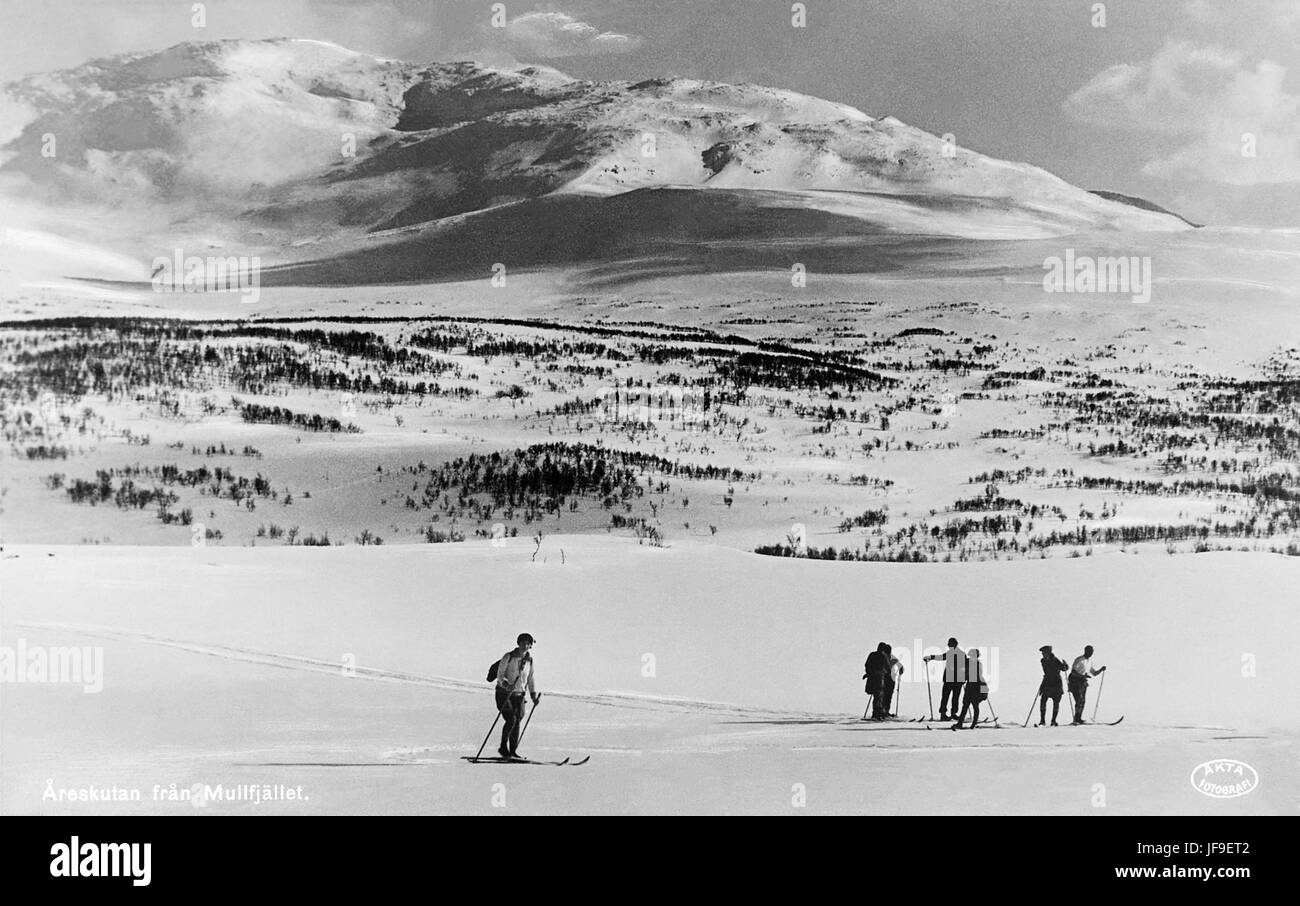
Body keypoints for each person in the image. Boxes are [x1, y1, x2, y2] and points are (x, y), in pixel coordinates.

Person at [494, 633, 540, 758]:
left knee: (518, 720)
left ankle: (513, 751)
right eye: (523, 643)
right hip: (504, 694)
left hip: (519, 695)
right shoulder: (508, 657)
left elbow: (530, 679)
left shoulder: (529, 660)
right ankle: (503, 748)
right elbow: (500, 674)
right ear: (518, 643)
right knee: (511, 720)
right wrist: (506, 684)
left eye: (528, 643)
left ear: (531, 646)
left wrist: (533, 695)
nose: (525, 645)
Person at [924, 637, 965, 720]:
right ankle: (953, 713)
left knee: (946, 697)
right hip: (957, 680)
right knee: (955, 697)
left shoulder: (954, 653)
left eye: (949, 644)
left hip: (950, 679)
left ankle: (944, 714)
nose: (948, 645)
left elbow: (941, 657)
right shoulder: (961, 653)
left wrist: (930, 657)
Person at [1068, 644, 1106, 725]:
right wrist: (1082, 676)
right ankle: (1076, 718)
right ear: (1085, 651)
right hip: (1075, 681)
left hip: (1083, 682)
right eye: (1090, 651)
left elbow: (1094, 673)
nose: (1091, 653)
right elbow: (1073, 672)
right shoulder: (1079, 660)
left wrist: (1101, 670)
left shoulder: (1090, 661)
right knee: (1079, 699)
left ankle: (1079, 718)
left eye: (1092, 652)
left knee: (1082, 701)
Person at [953, 648, 988, 729]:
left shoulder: (978, 664)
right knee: (965, 705)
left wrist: (984, 689)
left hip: (976, 687)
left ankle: (974, 723)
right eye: (971, 655)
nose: (971, 657)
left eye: (973, 655)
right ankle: (960, 723)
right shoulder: (968, 663)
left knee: (975, 706)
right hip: (969, 686)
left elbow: (980, 676)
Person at [1037, 645, 1068, 726]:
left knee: (1056, 702)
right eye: (1042, 653)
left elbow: (1064, 669)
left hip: (1056, 683)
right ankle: (1042, 721)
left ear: (1048, 652)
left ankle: (1053, 721)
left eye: (1044, 652)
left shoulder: (1055, 660)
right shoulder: (1043, 661)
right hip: (1047, 682)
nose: (1042, 654)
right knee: (1043, 701)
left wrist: (1065, 665)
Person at [863, 642, 890, 720]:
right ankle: (876, 714)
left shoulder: (872, 655)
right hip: (879, 678)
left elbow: (866, 665)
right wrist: (887, 673)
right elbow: (887, 667)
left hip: (871, 677)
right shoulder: (883, 656)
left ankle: (876, 713)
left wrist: (868, 673)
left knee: (875, 695)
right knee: (879, 696)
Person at [885, 645, 905, 717]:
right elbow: (901, 667)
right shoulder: (891, 657)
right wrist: (900, 673)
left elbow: (900, 667)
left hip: (885, 678)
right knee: (888, 695)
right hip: (891, 678)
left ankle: (882, 711)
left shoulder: (885, 657)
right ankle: (885, 711)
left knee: (883, 695)